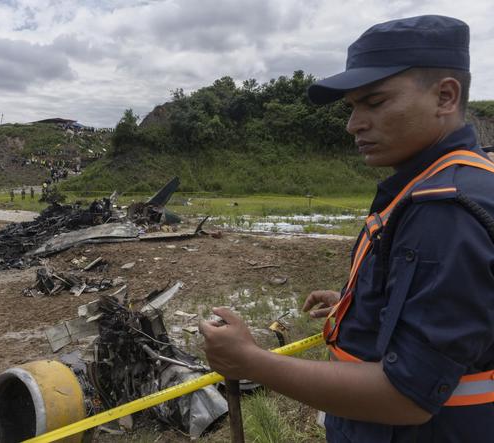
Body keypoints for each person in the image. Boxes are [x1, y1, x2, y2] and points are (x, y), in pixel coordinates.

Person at [200, 15, 494, 443]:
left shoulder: (444, 209)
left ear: (445, 96)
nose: (353, 124)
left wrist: (252, 362)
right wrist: (366, 306)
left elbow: (406, 396)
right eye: (353, 107)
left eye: (374, 103)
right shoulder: (454, 180)